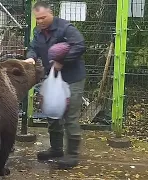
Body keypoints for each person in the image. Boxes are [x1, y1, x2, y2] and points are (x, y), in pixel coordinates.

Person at [24, 1, 86, 169]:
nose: (40, 21)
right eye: (37, 19)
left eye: (43, 17)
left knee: (70, 117)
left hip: (72, 77)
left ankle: (72, 155)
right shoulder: (38, 31)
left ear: (51, 13)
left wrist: (62, 60)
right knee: (52, 114)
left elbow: (80, 45)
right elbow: (33, 47)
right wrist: (31, 57)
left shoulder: (66, 28)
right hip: (52, 78)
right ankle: (56, 149)